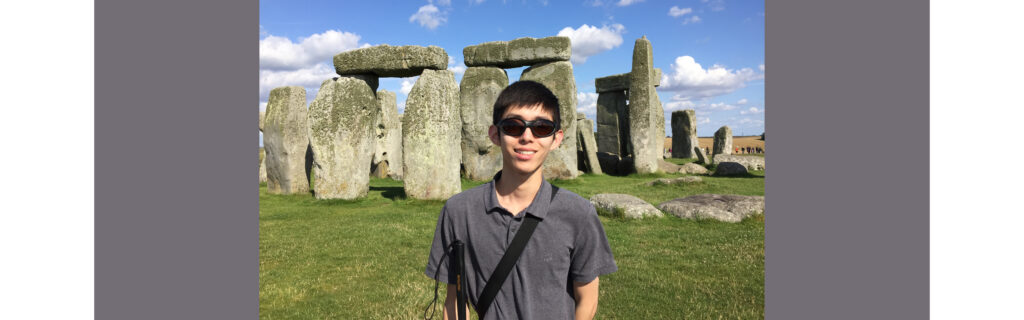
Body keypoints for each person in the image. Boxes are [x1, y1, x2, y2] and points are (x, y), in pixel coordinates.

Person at [425, 81, 618, 320]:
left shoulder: (578, 214)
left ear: (556, 139)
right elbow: (455, 301)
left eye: (541, 128)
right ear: (495, 134)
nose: (527, 137)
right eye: (513, 126)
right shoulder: (459, 212)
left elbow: (587, 300)